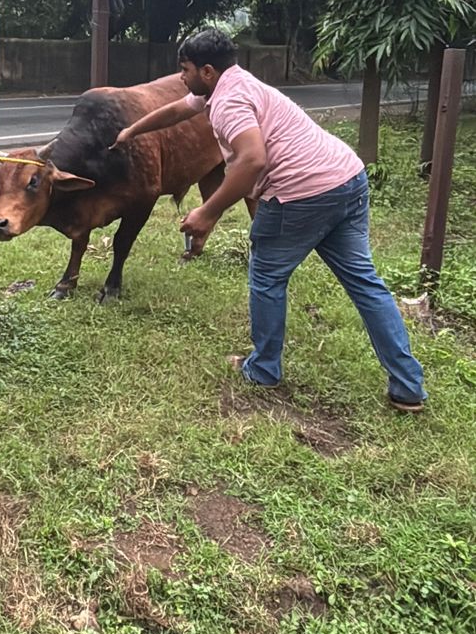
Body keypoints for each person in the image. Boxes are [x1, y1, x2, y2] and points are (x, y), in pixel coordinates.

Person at [113, 27, 426, 413]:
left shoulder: (228, 103)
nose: (181, 77)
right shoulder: (236, 82)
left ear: (207, 71)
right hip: (347, 178)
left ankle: (262, 369)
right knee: (365, 283)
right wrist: (133, 129)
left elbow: (252, 160)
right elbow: (181, 107)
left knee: (267, 278)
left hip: (301, 194)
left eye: (185, 69)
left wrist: (208, 213)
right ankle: (408, 387)